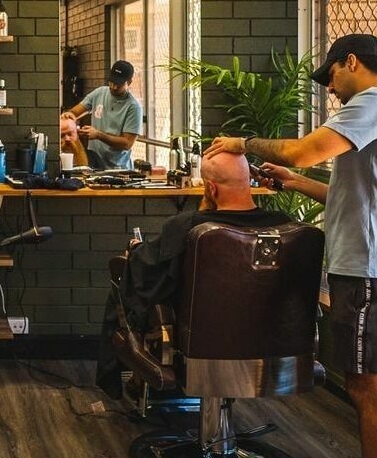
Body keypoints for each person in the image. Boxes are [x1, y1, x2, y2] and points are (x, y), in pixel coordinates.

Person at [206, 33, 377, 458]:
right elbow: (351, 195)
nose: (331, 91)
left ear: (351, 62)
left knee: (369, 387)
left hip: (372, 270)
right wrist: (291, 184)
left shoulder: (372, 102)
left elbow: (305, 151)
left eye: (331, 77)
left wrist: (243, 144)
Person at [97, 149, 292, 398]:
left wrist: (135, 252)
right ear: (250, 181)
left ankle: (120, 382)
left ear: (210, 188)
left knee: (124, 277)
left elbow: (147, 279)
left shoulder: (190, 227)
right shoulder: (283, 227)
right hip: (269, 342)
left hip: (199, 342)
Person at [62, 60, 143, 170]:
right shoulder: (99, 93)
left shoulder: (133, 107)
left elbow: (127, 143)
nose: (114, 87)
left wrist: (98, 135)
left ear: (129, 82)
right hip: (94, 163)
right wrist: (69, 115)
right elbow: (75, 112)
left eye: (119, 84)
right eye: (112, 82)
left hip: (117, 168)